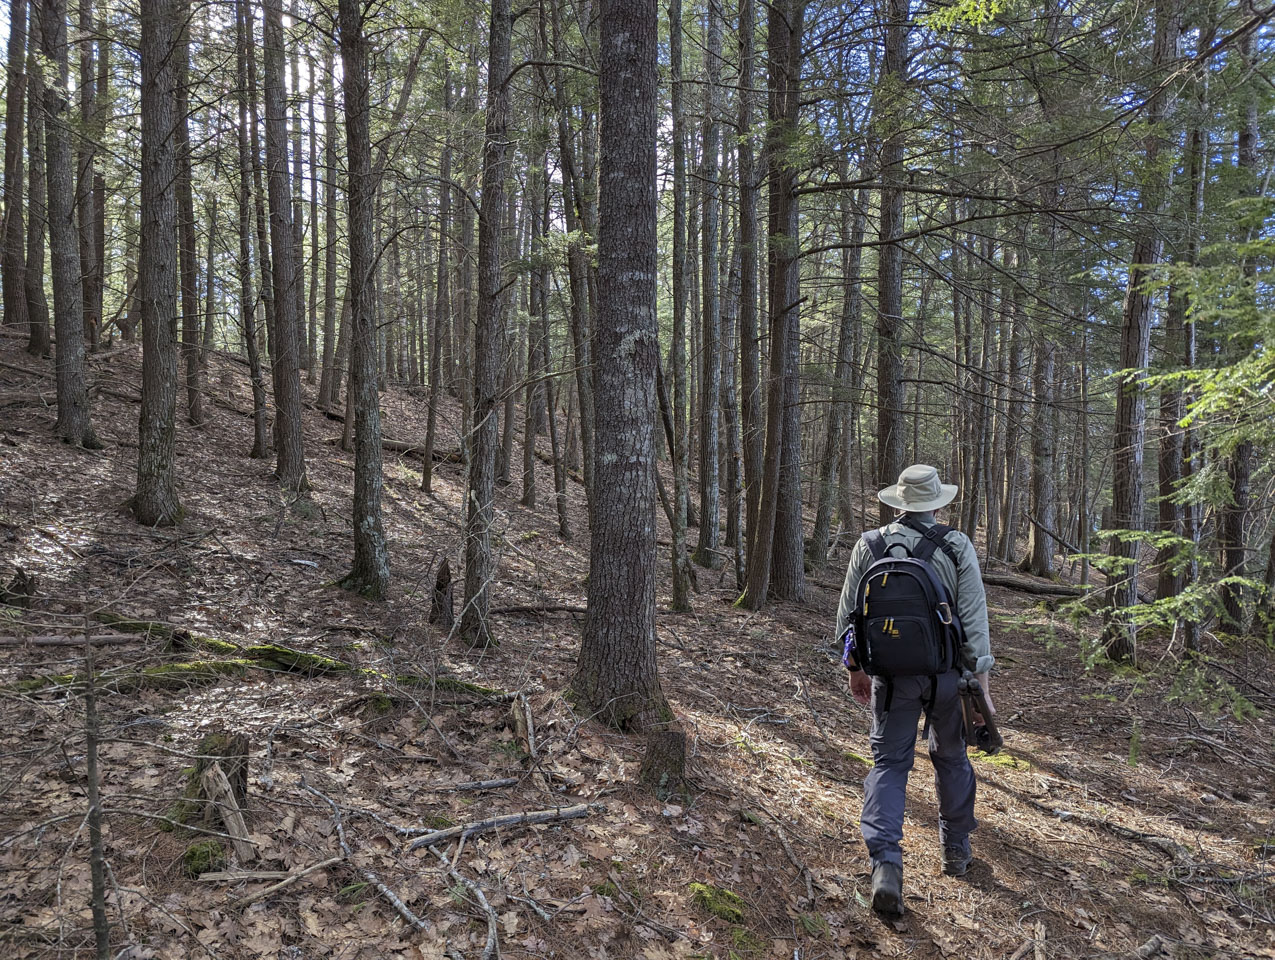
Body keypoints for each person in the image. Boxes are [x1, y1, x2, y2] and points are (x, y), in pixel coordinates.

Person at [835, 464, 995, 916]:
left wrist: (855, 668)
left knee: (889, 764)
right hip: (947, 679)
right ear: (937, 503)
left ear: (899, 502)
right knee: (952, 757)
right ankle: (956, 849)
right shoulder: (958, 545)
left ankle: (885, 865)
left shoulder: (867, 545)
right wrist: (981, 692)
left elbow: (848, 619)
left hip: (889, 678)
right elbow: (974, 628)